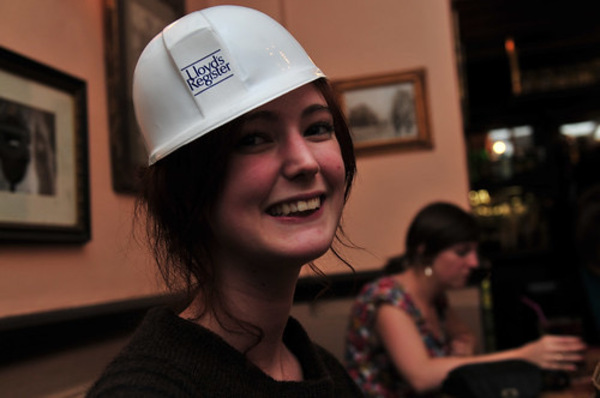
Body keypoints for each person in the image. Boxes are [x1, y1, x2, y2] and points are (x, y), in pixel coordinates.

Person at [87, 6, 362, 397]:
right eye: (253, 139)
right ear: (184, 187)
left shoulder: (321, 369)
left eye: (317, 128)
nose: (304, 161)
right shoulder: (147, 390)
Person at [344, 201, 586, 397]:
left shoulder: (436, 297)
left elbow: (464, 337)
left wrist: (466, 346)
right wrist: (524, 354)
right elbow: (422, 377)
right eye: (462, 252)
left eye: (474, 251)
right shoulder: (387, 300)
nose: (473, 262)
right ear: (424, 251)